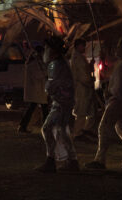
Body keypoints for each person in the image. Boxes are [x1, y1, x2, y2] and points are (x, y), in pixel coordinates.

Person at [85, 39, 122, 170]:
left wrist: (109, 92)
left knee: (104, 128)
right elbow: (109, 74)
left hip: (116, 100)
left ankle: (100, 160)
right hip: (118, 100)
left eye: (118, 48)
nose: (116, 50)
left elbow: (118, 86)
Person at [35, 36, 79, 173]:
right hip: (64, 102)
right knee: (61, 130)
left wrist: (46, 82)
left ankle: (52, 160)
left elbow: (51, 86)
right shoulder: (58, 63)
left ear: (53, 50)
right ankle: (71, 161)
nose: (45, 50)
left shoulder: (56, 64)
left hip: (61, 103)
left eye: (47, 48)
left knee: (47, 128)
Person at [70, 38, 97, 142]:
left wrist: (90, 65)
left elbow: (85, 71)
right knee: (81, 111)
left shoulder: (80, 57)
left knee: (89, 110)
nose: (84, 48)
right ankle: (78, 132)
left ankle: (85, 129)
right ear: (77, 46)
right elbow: (82, 75)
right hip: (81, 88)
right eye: (83, 46)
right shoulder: (77, 58)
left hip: (84, 88)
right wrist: (90, 80)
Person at [17, 45, 48, 133]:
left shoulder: (38, 63)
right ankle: (23, 126)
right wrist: (46, 72)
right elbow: (39, 75)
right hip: (36, 90)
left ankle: (23, 126)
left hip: (39, 90)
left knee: (35, 109)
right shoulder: (32, 64)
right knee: (40, 109)